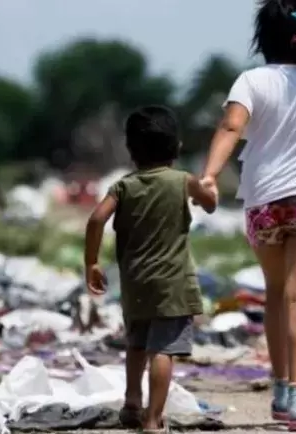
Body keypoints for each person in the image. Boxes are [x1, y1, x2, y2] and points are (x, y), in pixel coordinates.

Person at [199, 0, 296, 431]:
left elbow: (231, 127)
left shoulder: (251, 80)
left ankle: (281, 391)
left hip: (263, 202)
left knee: (275, 294)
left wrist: (211, 175)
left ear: (263, 37)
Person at [84, 105, 217, 433]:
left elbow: (97, 219)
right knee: (163, 350)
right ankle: (153, 419)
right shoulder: (183, 181)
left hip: (135, 282)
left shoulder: (123, 186)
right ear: (177, 147)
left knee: (137, 344)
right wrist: (208, 192)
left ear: (131, 150)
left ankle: (132, 403)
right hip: (173, 284)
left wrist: (92, 263)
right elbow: (210, 203)